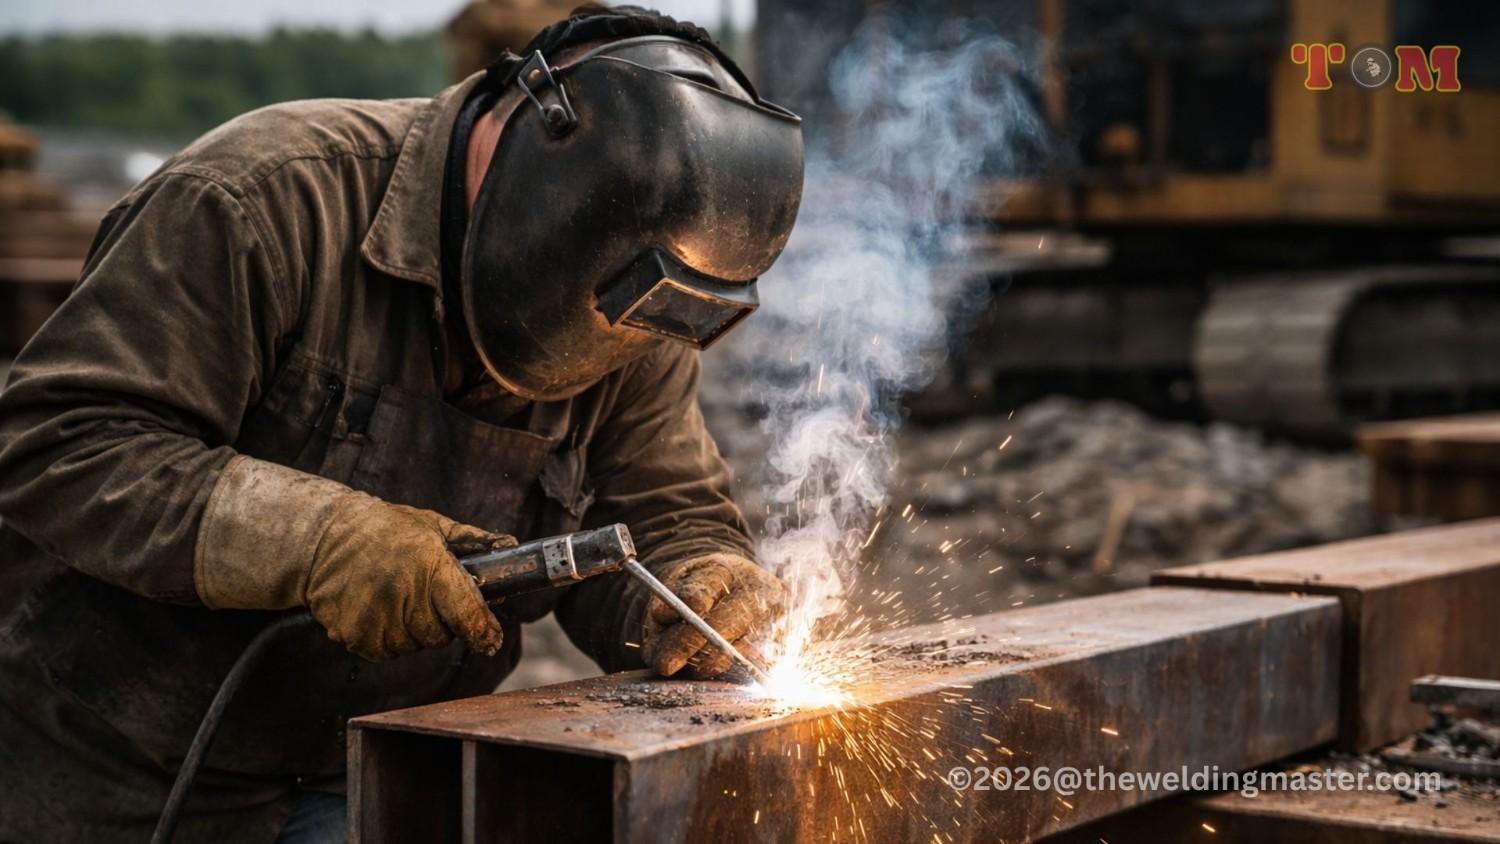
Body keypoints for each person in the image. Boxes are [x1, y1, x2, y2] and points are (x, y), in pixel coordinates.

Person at [0, 6, 804, 841]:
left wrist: (698, 585)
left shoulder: (640, 303)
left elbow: (659, 514)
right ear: (528, 154)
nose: (610, 350)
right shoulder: (260, 202)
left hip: (384, 768)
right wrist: (318, 540)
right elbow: (58, 442)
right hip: (122, 769)